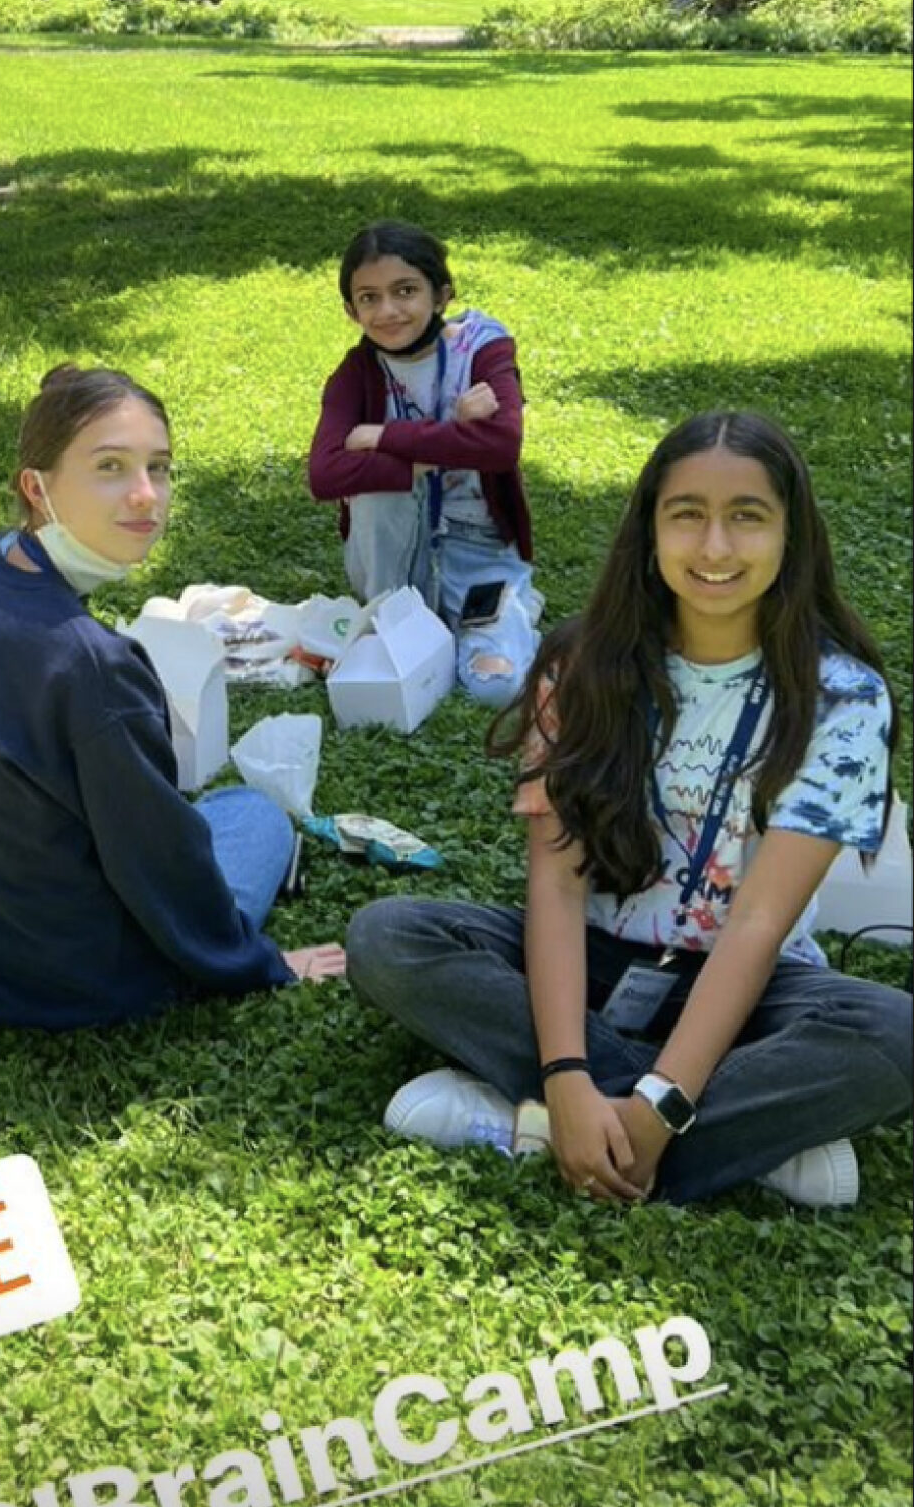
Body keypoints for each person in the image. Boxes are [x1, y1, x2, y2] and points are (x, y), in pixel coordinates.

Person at [347, 410, 911, 1209]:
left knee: (894, 1037)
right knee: (389, 937)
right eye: (687, 515)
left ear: (791, 536)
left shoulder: (842, 697)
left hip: (748, 983)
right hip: (590, 958)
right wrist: (568, 1072)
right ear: (650, 530)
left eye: (746, 517)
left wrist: (663, 1101)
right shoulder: (583, 667)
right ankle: (723, 1141)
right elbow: (558, 886)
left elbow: (754, 925)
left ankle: (537, 1127)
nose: (714, 548)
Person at [0, 364, 346, 1026]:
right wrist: (262, 965)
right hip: (73, 977)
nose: (145, 496)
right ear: (37, 486)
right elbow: (159, 859)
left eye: (157, 468)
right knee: (249, 814)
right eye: (109, 467)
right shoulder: (94, 665)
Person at [308, 220, 540, 705]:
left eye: (405, 291)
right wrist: (442, 444)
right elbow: (325, 473)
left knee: (492, 687)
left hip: (478, 549)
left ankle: (501, 613)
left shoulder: (483, 348)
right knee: (373, 483)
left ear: (442, 295)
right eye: (368, 298)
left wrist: (385, 437)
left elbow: (501, 444)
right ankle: (391, 614)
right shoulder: (355, 374)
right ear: (351, 310)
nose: (388, 311)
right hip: (392, 559)